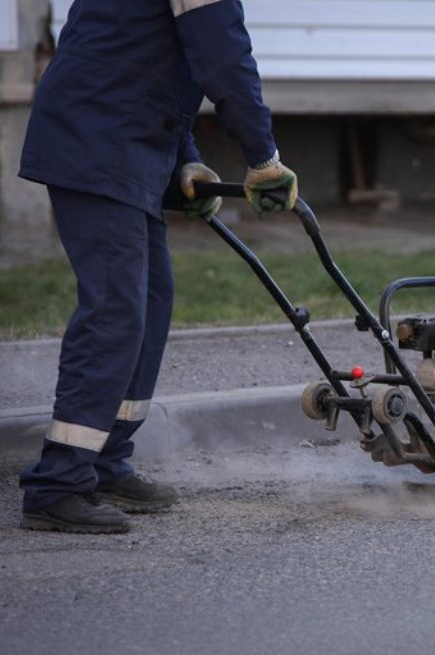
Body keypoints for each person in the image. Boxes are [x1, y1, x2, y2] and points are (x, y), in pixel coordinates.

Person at [17, 0, 297, 533]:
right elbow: (223, 56)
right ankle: (57, 483)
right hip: (97, 141)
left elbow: (161, 60)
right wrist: (262, 157)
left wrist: (184, 159)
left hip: (120, 138)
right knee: (116, 314)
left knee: (151, 299)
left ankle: (104, 458)